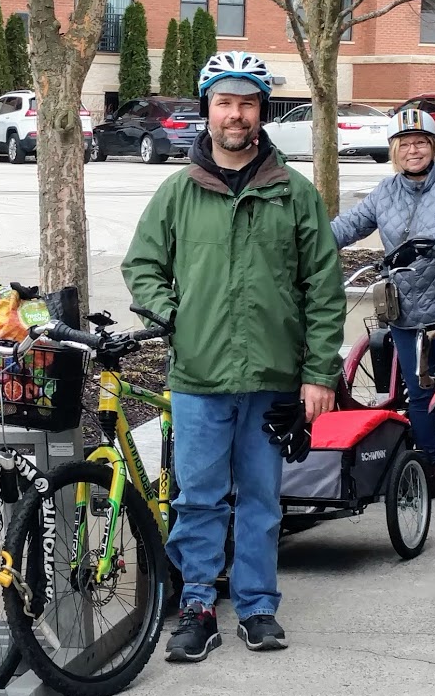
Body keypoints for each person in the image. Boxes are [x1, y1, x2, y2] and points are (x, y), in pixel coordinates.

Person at [124, 51, 345, 662]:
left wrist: (320, 372)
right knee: (198, 497)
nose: (236, 114)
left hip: (273, 379)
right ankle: (196, 604)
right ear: (208, 110)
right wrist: (174, 314)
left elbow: (323, 290)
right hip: (199, 376)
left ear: (261, 111)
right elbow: (142, 266)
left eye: (247, 102)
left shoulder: (294, 195)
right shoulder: (177, 193)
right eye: (225, 102)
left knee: (261, 498)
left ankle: (256, 606)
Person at [331, 106, 435, 490]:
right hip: (408, 312)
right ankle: (431, 471)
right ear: (393, 151)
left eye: (420, 142)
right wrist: (306, 241)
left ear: (434, 147)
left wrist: (420, 246)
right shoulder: (386, 191)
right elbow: (349, 224)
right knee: (418, 395)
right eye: (404, 144)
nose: (412, 150)